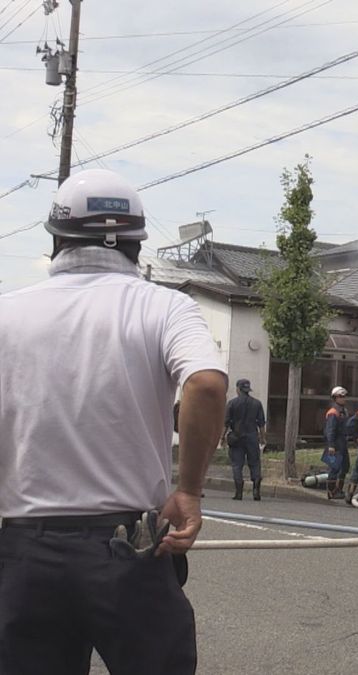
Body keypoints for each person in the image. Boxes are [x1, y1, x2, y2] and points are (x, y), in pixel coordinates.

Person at [0, 168, 227, 673]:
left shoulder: (7, 313)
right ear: (135, 244)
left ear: (58, 238)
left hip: (26, 550)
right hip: (131, 546)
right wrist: (189, 491)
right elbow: (207, 384)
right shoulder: (166, 307)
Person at [225, 378, 267, 501]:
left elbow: (226, 423)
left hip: (236, 437)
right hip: (252, 436)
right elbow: (261, 423)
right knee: (254, 462)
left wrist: (221, 438)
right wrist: (263, 438)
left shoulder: (232, 403)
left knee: (237, 464)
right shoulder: (257, 403)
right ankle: (256, 489)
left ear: (238, 389)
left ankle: (239, 492)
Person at [323, 386, 351, 500]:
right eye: (341, 396)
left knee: (345, 467)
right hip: (335, 443)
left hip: (343, 442)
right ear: (335, 398)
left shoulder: (344, 411)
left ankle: (338, 489)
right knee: (334, 468)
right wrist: (331, 445)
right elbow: (330, 430)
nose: (343, 398)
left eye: (344, 396)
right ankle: (331, 492)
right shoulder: (333, 412)